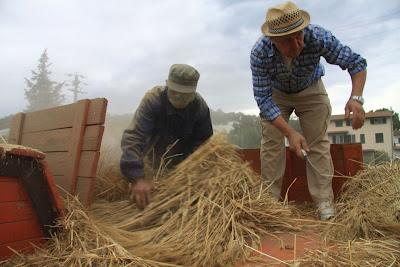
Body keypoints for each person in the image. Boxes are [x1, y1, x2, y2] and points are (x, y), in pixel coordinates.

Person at [250, 1, 367, 220]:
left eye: (299, 36)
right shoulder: (259, 53)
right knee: (272, 143)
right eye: (287, 41)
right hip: (276, 94)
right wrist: (290, 133)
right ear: (273, 40)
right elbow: (264, 100)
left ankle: (324, 204)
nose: (297, 44)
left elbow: (356, 63)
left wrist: (356, 99)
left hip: (311, 88)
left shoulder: (318, 37)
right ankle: (268, 203)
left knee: (318, 142)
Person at [120, 64, 213, 209]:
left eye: (185, 95)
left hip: (182, 164)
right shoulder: (153, 99)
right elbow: (134, 137)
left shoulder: (200, 108)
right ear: (167, 85)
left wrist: (190, 176)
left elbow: (204, 146)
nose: (178, 97)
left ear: (193, 93)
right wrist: (137, 178)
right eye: (174, 91)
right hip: (149, 159)